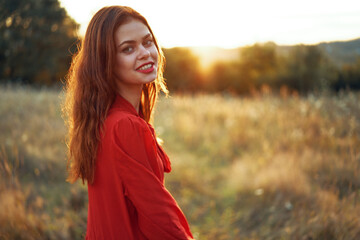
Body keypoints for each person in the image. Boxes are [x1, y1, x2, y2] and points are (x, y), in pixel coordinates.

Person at [63, 6, 194, 240]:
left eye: (147, 42)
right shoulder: (125, 126)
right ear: (106, 62)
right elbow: (159, 218)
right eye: (128, 49)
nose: (144, 53)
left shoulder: (102, 120)